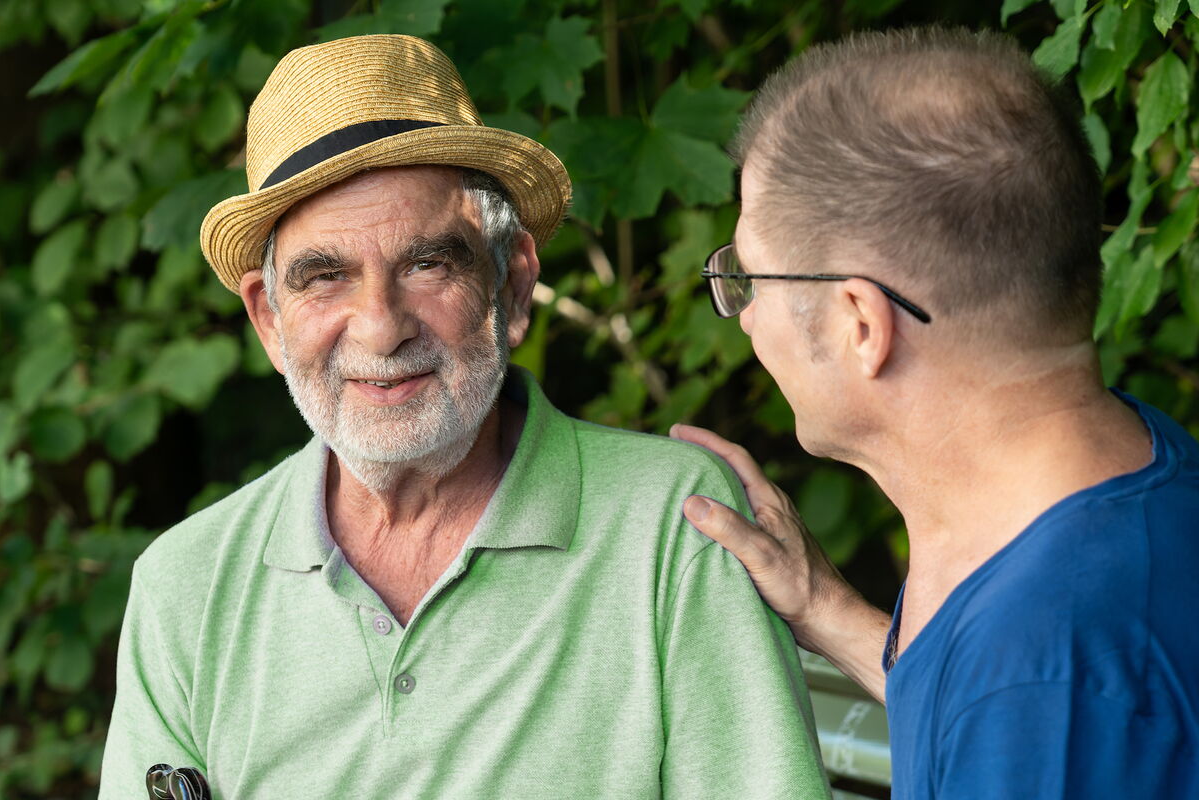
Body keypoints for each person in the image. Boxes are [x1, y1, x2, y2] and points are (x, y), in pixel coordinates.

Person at [98, 34, 829, 799]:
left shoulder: (672, 526)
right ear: (270, 320)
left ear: (512, 290)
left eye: (426, 264)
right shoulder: (185, 586)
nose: (381, 327)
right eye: (325, 277)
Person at [671, 27, 1199, 799]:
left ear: (859, 324)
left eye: (749, 275)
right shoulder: (1122, 472)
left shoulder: (1056, 680)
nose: (745, 315)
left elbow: (1048, 701)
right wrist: (825, 609)